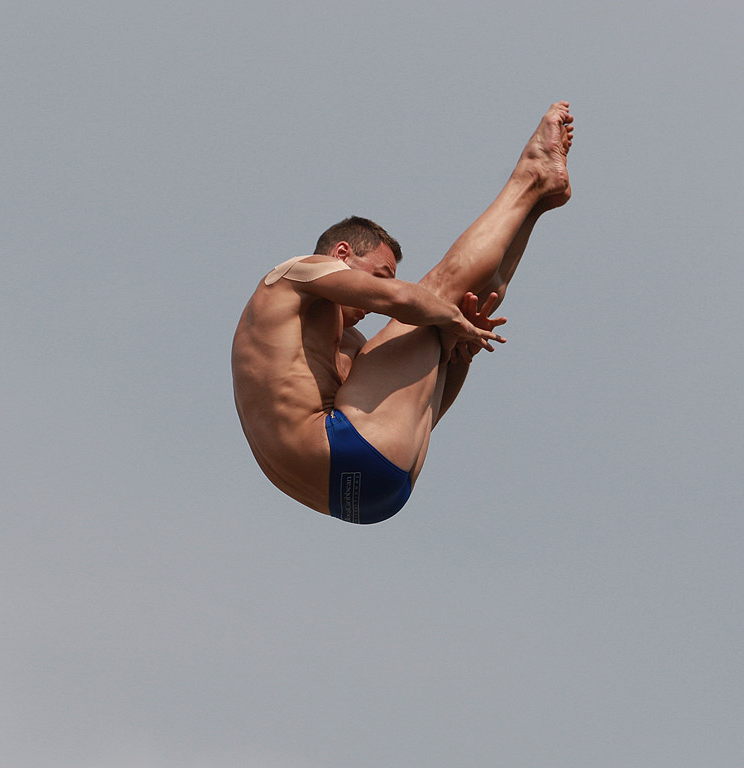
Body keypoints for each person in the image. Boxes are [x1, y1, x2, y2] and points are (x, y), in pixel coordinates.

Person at [232, 101, 574, 523]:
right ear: (341, 254)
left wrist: (456, 350)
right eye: (380, 274)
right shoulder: (292, 276)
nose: (381, 291)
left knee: (451, 314)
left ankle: (537, 202)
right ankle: (531, 175)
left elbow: (426, 413)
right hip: (346, 453)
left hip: (374, 491)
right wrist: (443, 313)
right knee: (439, 291)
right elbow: (400, 300)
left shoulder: (344, 352)